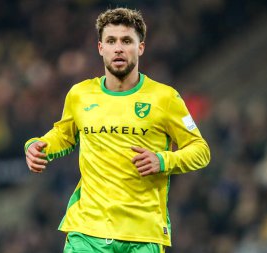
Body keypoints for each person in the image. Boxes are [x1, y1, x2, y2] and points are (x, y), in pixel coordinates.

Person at [25, 7, 210, 253]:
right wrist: (37, 146)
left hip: (143, 234)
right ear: (101, 48)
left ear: (140, 47)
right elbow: (63, 134)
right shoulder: (80, 95)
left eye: (126, 41)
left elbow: (201, 150)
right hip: (88, 231)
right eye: (111, 41)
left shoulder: (165, 98)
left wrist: (163, 160)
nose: (118, 48)